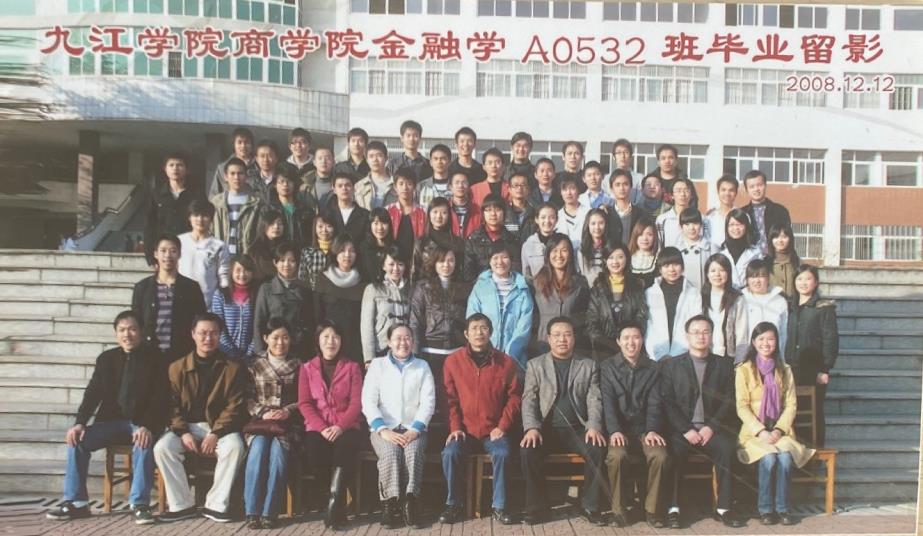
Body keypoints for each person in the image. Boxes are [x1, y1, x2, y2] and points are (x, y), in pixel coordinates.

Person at [45, 311, 165, 525]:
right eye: (122, 330)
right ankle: (77, 503)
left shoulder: (156, 358)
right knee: (77, 440)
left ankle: (139, 504)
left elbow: (160, 398)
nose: (127, 334)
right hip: (110, 422)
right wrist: (80, 423)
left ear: (141, 331)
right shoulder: (106, 359)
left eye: (132, 329)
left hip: (140, 423)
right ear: (116, 334)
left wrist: (147, 425)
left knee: (144, 440)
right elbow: (93, 393)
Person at [153, 313, 248, 523]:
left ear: (220, 335)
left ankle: (216, 504)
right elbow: (171, 406)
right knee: (163, 448)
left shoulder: (232, 368)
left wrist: (216, 433)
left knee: (235, 447)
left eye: (213, 333)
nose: (208, 338)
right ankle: (182, 505)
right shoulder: (176, 368)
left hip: (219, 427)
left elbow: (235, 406)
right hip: (187, 427)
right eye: (203, 333)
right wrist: (182, 432)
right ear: (193, 334)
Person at [519, 317, 608, 526]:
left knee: (597, 448)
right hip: (546, 429)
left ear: (574, 338)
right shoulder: (535, 365)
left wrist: (594, 426)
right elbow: (529, 399)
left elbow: (594, 399)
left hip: (578, 429)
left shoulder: (588, 365)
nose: (562, 339)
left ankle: (590, 506)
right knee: (528, 451)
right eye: (557, 335)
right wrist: (531, 428)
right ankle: (537, 508)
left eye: (567, 334)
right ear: (549, 338)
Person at [659, 315, 743, 529]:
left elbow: (729, 400)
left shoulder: (723, 365)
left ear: (712, 335)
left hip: (711, 430)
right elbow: (667, 401)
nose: (701, 336)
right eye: (695, 332)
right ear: (687, 336)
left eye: (706, 332)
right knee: (673, 451)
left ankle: (724, 508)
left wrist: (711, 427)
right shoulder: (672, 365)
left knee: (726, 449)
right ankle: (673, 509)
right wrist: (685, 429)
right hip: (682, 431)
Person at [439, 314, 522, 525]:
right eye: (474, 328)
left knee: (503, 453)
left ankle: (499, 506)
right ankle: (453, 504)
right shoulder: (453, 362)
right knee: (450, 453)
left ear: (490, 332)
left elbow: (514, 398)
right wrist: (455, 427)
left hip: (493, 430)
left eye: (483, 328)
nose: (479, 332)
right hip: (464, 431)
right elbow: (449, 399)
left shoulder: (505, 362)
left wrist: (502, 426)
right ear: (466, 334)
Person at [736, 322, 815, 526]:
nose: (766, 343)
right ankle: (765, 509)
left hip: (781, 432)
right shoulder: (744, 370)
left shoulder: (785, 370)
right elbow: (742, 406)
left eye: (770, 339)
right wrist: (761, 431)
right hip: (754, 433)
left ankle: (783, 509)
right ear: (753, 342)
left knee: (786, 459)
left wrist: (779, 430)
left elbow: (791, 405)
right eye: (761, 339)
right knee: (769, 458)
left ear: (777, 342)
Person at [361, 324, 436, 529]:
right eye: (397, 338)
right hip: (384, 429)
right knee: (390, 453)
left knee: (413, 452)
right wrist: (383, 429)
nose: (403, 342)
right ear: (389, 342)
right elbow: (368, 401)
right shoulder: (377, 365)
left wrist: (415, 429)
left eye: (407, 338)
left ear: (413, 341)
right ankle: (390, 504)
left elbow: (428, 402)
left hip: (414, 429)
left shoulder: (422, 366)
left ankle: (410, 503)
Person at [601, 322, 670, 528]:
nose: (631, 342)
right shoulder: (607, 367)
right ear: (618, 341)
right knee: (617, 456)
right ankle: (619, 511)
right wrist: (614, 430)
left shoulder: (654, 368)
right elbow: (607, 403)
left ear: (642, 340)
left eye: (636, 337)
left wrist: (652, 429)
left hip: (644, 429)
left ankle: (652, 510)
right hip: (619, 430)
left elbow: (655, 403)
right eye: (626, 338)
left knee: (659, 456)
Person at [299, 321, 364, 529]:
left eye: (335, 337)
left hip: (347, 426)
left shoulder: (352, 367)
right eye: (326, 336)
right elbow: (305, 403)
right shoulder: (307, 368)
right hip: (318, 427)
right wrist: (322, 428)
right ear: (318, 340)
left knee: (343, 452)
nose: (331, 341)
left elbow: (356, 403)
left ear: (341, 341)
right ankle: (336, 504)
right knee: (315, 454)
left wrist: (340, 427)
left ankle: (334, 506)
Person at [243, 318, 303, 529]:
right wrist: (263, 412)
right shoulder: (254, 364)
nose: (280, 342)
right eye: (275, 337)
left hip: (287, 425)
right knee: (258, 450)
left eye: (285, 337)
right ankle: (252, 511)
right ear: (265, 338)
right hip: (260, 424)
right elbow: (246, 398)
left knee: (278, 455)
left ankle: (270, 511)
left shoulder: (299, 365)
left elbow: (305, 398)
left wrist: (288, 411)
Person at [409, 246, 470, 424]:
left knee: (453, 399)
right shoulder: (423, 287)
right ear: (434, 263)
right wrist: (415, 353)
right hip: (431, 352)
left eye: (451, 261)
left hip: (456, 351)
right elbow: (415, 321)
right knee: (430, 397)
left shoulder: (463, 288)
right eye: (442, 261)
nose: (446, 265)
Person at [786, 264, 838, 446]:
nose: (803, 283)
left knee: (814, 411)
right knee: (792, 411)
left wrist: (825, 369)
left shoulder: (823, 308)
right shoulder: (790, 306)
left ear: (815, 282)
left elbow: (830, 339)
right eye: (799, 279)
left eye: (808, 279)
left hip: (814, 369)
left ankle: (815, 452)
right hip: (791, 367)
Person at [132, 234, 206, 362]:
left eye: (173, 251)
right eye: (163, 251)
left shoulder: (191, 287)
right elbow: (136, 322)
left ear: (179, 254)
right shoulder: (142, 288)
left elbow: (200, 321)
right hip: (149, 355)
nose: (168, 255)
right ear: (156, 254)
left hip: (182, 355)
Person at [466, 243, 534, 370]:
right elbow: (472, 318)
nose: (500, 262)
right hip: (484, 356)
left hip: (514, 358)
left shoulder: (522, 288)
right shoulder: (480, 287)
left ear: (511, 260)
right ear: (489, 261)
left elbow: (525, 325)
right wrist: (485, 349)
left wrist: (510, 353)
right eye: (495, 258)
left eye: (504, 257)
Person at [586, 244, 649, 361]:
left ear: (627, 259)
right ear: (605, 261)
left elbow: (641, 316)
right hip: (604, 350)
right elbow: (591, 321)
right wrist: (607, 344)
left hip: (631, 347)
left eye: (620, 257)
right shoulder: (598, 287)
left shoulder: (637, 285)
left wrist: (629, 340)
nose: (615, 261)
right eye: (611, 257)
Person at [530, 234, 590, 356]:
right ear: (548, 254)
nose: (559, 255)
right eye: (554, 250)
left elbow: (584, 317)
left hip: (571, 347)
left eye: (564, 250)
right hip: (542, 346)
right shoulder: (536, 283)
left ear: (570, 254)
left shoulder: (580, 283)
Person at [252, 241, 315, 356]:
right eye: (282, 260)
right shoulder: (266, 289)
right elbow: (258, 322)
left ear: (297, 263)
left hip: (298, 349)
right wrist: (260, 351)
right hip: (274, 348)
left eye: (291, 261)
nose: (286, 264)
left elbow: (310, 321)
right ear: (275, 262)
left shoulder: (304, 289)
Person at [144, 152, 204, 265]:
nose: (175, 168)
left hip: (189, 249)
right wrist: (150, 257)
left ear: (186, 169)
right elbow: (149, 226)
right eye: (171, 165)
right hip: (164, 251)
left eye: (179, 165)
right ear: (165, 169)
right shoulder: (156, 195)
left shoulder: (196, 194)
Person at [313, 234, 365, 363]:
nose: (347, 255)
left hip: (355, 343)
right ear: (335, 252)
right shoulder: (323, 279)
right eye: (342, 250)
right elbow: (316, 314)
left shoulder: (363, 280)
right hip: (329, 344)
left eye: (351, 251)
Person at [645, 247, 703, 361]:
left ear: (682, 267)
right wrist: (657, 354)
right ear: (660, 269)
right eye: (666, 265)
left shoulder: (693, 293)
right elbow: (650, 326)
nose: (671, 269)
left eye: (676, 264)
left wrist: (681, 352)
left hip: (684, 354)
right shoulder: (651, 293)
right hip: (656, 355)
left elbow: (695, 325)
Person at [360, 246, 411, 364]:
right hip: (381, 348)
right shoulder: (373, 289)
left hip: (404, 349)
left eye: (400, 264)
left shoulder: (411, 289)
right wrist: (369, 358)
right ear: (383, 266)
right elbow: (366, 326)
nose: (396, 268)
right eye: (391, 264)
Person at [178, 199, 229, 308]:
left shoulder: (219, 246)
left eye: (205, 215)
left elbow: (223, 275)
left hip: (208, 304)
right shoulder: (179, 241)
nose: (200, 219)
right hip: (181, 300)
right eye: (196, 215)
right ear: (189, 217)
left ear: (211, 219)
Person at [701, 254, 749, 363]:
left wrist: (739, 361)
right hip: (704, 355)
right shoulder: (700, 297)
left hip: (728, 357)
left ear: (728, 273)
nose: (717, 274)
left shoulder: (737, 299)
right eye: (713, 271)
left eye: (722, 270)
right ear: (707, 274)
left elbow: (742, 333)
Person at [463, 194, 522, 281]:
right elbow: (469, 274)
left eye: (497, 210)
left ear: (504, 213)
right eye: (488, 210)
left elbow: (516, 272)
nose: (493, 214)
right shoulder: (473, 240)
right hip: (480, 286)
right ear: (483, 213)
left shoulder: (512, 240)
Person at [211, 157, 262, 256]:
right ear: (225, 177)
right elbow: (210, 230)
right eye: (232, 173)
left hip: (245, 257)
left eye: (240, 173)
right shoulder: (217, 202)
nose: (236, 177)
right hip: (221, 257)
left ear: (246, 176)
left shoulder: (255, 203)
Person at [212, 255, 258, 361]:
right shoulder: (220, 295)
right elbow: (218, 326)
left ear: (252, 273)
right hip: (224, 354)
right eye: (238, 270)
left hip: (251, 357)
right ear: (231, 272)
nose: (242, 274)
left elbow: (258, 326)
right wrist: (232, 353)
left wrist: (249, 353)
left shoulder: (258, 295)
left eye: (247, 270)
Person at [741, 259, 789, 360]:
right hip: (747, 357)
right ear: (747, 280)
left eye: (761, 276)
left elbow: (783, 333)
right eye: (753, 277)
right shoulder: (741, 300)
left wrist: (782, 359)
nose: (757, 281)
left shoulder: (780, 301)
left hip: (773, 357)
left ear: (768, 278)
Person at [412, 197, 465, 281]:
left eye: (444, 213)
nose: (439, 216)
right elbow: (415, 272)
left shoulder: (457, 242)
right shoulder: (421, 242)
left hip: (452, 287)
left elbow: (461, 271)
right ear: (429, 214)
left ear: (449, 215)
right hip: (426, 287)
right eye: (435, 212)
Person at [742, 170, 791, 255]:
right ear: (746, 190)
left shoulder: (780, 211)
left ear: (765, 185)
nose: (756, 189)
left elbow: (788, 236)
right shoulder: (742, 213)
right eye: (752, 186)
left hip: (774, 257)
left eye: (759, 185)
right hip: (750, 259)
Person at [386, 169, 426, 261]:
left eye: (409, 183)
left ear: (415, 186)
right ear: (395, 187)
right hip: (394, 260)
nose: (405, 188)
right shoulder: (388, 211)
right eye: (401, 184)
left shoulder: (424, 211)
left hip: (417, 259)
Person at [719, 208, 763, 290]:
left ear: (746, 226)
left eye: (739, 224)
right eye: (732, 224)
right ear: (727, 227)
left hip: (750, 294)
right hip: (727, 294)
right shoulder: (721, 252)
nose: (736, 228)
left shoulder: (756, 252)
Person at [270, 167, 314, 249]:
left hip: (301, 252)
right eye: (281, 181)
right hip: (278, 253)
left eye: (289, 181)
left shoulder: (305, 211)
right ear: (275, 185)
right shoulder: (269, 209)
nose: (285, 185)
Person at [211, 127, 258, 197]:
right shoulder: (222, 168)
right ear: (234, 145)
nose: (243, 146)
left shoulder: (259, 167)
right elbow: (214, 195)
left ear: (252, 145)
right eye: (239, 142)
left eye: (247, 142)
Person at [521, 203, 558, 283]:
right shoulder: (528, 245)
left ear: (556, 220)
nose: (547, 221)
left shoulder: (562, 242)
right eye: (543, 217)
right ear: (536, 219)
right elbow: (526, 275)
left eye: (552, 217)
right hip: (537, 289)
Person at [329, 172, 371, 243]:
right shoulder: (328, 214)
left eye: (347, 185)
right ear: (334, 190)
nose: (344, 188)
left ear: (354, 188)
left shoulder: (365, 215)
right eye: (340, 186)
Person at [299, 212, 336, 290]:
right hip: (314, 295)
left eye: (329, 226)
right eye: (320, 226)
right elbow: (302, 280)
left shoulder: (340, 252)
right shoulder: (307, 252)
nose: (324, 230)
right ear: (315, 229)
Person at [248, 209, 288, 282]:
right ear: (264, 226)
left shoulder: (288, 248)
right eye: (271, 224)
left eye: (280, 223)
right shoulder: (255, 250)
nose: (276, 227)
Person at [656, 178, 697, 249]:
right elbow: (658, 245)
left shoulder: (701, 219)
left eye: (686, 190)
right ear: (672, 195)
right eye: (678, 191)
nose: (682, 194)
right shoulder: (662, 219)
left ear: (692, 195)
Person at [652, 144, 698, 208]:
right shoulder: (651, 182)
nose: (667, 161)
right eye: (663, 158)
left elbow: (693, 205)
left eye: (670, 157)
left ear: (676, 161)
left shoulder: (686, 183)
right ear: (658, 162)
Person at [677, 208, 712, 290]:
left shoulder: (711, 247)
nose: (691, 228)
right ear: (680, 227)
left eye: (695, 223)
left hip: (705, 293)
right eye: (687, 224)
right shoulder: (676, 249)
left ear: (701, 225)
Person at [356, 141, 396, 210]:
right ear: (366, 160)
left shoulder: (397, 184)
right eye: (371, 156)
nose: (375, 160)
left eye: (379, 155)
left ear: (386, 158)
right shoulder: (359, 186)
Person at [358, 207, 395, 282]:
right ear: (370, 225)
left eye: (384, 223)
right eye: (376, 223)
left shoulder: (395, 247)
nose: (380, 227)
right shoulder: (363, 248)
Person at [577, 208, 611, 287]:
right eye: (593, 223)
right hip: (589, 290)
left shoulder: (610, 247)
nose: (597, 227)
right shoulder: (582, 249)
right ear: (587, 225)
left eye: (601, 223)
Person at [555, 176, 590, 251]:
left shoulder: (588, 212)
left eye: (572, 188)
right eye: (565, 189)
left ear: (578, 190)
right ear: (560, 192)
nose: (568, 193)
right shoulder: (557, 215)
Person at [705, 175, 739, 250]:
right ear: (718, 192)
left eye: (731, 190)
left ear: (736, 193)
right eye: (723, 190)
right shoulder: (709, 217)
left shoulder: (742, 216)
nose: (727, 193)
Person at [609, 168, 641, 244]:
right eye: (617, 185)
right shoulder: (606, 213)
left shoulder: (640, 214)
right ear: (611, 188)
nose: (622, 188)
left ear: (631, 187)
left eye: (625, 184)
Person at [768, 223, 800, 299]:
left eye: (784, 237)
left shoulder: (798, 262)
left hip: (794, 304)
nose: (780, 240)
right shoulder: (765, 262)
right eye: (776, 237)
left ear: (790, 239)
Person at [299, 145, 336, 211]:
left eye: (327, 158)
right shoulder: (305, 187)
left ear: (333, 162)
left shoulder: (341, 185)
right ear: (314, 162)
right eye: (320, 158)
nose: (323, 161)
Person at [447, 169, 482, 238]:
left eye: (464, 182)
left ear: (469, 187)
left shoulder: (477, 210)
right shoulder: (445, 208)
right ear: (450, 187)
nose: (460, 186)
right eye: (457, 182)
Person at [417, 144, 453, 208]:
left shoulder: (457, 186)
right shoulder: (421, 186)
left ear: (450, 162)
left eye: (443, 158)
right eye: (436, 159)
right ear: (431, 162)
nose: (439, 162)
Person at [504, 171, 536, 243]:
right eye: (515, 185)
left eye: (523, 185)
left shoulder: (535, 212)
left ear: (528, 189)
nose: (519, 188)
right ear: (509, 189)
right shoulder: (504, 212)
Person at [609, 139, 644, 203]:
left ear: (630, 156)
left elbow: (640, 201)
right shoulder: (606, 179)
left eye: (626, 152)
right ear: (614, 157)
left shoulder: (640, 178)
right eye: (619, 153)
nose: (623, 156)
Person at [629, 218, 660, 288]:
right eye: (641, 234)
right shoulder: (626, 258)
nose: (645, 238)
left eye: (649, 234)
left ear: (655, 237)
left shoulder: (659, 260)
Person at [252, 140, 282, 204]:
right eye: (262, 156)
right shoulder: (251, 181)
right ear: (256, 159)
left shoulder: (283, 181)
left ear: (276, 158)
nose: (265, 160)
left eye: (270, 156)